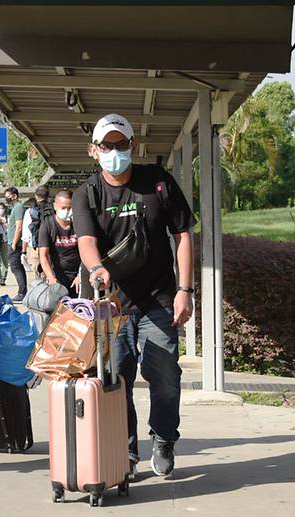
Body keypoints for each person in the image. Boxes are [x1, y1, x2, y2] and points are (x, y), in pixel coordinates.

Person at [72, 113, 195, 479]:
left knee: (165, 374)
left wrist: (185, 291)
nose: (115, 151)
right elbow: (86, 241)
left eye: (121, 144)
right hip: (112, 307)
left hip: (159, 299)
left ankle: (163, 438)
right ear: (94, 151)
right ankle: (125, 449)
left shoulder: (158, 182)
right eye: (107, 146)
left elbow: (183, 235)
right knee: (116, 380)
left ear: (133, 146)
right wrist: (96, 270)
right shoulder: (87, 194)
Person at [38, 190, 81, 298]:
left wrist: (81, 275)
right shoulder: (48, 225)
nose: (67, 211)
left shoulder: (79, 224)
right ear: (55, 206)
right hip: (57, 275)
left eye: (70, 208)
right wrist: (51, 278)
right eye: (63, 208)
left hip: (78, 275)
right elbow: (43, 255)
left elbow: (87, 249)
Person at [4, 186, 28, 301]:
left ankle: (22, 292)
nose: (7, 199)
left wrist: (14, 243)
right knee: (16, 266)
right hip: (12, 241)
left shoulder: (18, 207)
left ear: (14, 195)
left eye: (8, 196)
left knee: (16, 267)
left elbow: (19, 226)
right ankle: (22, 292)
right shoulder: (15, 207)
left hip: (14, 243)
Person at [25, 185, 53, 278]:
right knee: (49, 273)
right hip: (51, 246)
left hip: (36, 246)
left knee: (38, 275)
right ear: (48, 195)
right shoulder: (53, 209)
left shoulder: (30, 211)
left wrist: (24, 250)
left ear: (36, 196)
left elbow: (26, 231)